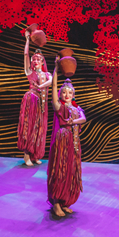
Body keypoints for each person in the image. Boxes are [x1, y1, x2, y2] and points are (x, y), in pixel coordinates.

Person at [46, 57, 86, 217]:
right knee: (60, 170)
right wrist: (56, 69)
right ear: (60, 94)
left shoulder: (76, 108)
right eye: (64, 92)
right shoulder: (59, 106)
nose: (67, 94)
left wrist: (73, 121)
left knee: (70, 170)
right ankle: (56, 202)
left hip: (74, 142)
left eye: (70, 92)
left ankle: (65, 201)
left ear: (73, 95)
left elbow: (83, 118)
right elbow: (54, 86)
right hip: (62, 141)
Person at [18, 32, 52, 166]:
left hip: (42, 104)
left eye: (38, 59)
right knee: (30, 127)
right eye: (34, 59)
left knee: (40, 128)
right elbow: (26, 55)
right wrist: (27, 40)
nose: (35, 61)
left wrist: (41, 86)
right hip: (31, 100)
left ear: (42, 62)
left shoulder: (47, 74)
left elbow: (51, 81)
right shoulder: (29, 72)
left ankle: (36, 154)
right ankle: (27, 155)